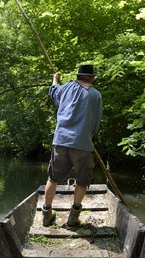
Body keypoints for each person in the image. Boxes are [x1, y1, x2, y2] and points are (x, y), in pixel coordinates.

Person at [42, 64, 102, 227]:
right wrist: (90, 136)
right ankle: (73, 218)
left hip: (60, 140)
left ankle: (46, 214)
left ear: (78, 76)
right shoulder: (95, 95)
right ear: (91, 77)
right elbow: (96, 123)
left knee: (53, 178)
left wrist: (55, 80)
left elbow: (54, 93)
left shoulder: (65, 88)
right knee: (82, 181)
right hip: (82, 143)